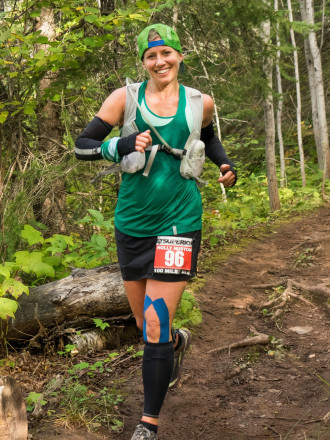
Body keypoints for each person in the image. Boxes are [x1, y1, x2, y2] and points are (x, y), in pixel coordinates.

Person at [75, 23, 237, 440]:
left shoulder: (200, 102)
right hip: (132, 223)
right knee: (147, 327)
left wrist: (224, 164)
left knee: (153, 324)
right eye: (151, 56)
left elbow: (209, 138)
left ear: (180, 56)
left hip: (180, 223)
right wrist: (120, 145)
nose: (160, 61)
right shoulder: (123, 99)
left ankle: (148, 423)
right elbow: (82, 146)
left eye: (167, 53)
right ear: (143, 62)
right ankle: (175, 344)